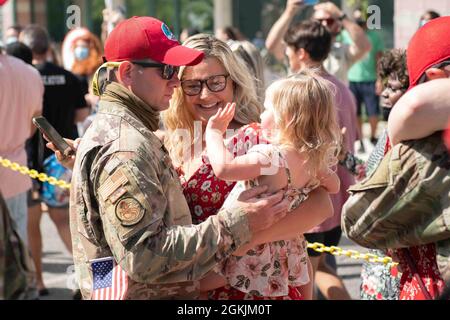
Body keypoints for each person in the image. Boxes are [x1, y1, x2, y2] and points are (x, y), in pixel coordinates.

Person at [70, 16, 299, 300]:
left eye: (216, 82)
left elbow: (315, 208)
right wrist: (238, 224)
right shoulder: (131, 144)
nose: (175, 83)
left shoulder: (250, 139)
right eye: (168, 71)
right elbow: (143, 256)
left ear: (234, 82)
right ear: (128, 73)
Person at [163, 33, 334, 300]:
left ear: (234, 83)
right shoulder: (172, 141)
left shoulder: (257, 137)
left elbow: (322, 203)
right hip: (189, 288)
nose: (206, 94)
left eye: (216, 82)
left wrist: (250, 238)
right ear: (178, 90)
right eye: (192, 85)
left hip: (250, 289)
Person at [200, 71, 341, 299]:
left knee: (204, 282)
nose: (261, 114)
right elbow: (334, 187)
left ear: (284, 119)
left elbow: (224, 169)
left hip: (250, 239)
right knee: (302, 276)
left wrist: (214, 133)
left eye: (266, 109)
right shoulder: (312, 161)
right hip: (286, 242)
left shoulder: (270, 157)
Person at [352, 16, 450, 300]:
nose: (384, 94)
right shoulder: (410, 129)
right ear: (436, 77)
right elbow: (411, 108)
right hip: (427, 285)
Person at [282, 19, 357, 299]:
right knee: (321, 268)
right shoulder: (343, 89)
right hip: (338, 201)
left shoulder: (302, 93)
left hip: (312, 199)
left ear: (301, 52)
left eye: (288, 50)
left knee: (306, 280)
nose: (287, 56)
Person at [19, 25, 89, 296]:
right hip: (64, 156)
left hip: (27, 159)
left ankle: (39, 282)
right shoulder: (68, 77)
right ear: (49, 48)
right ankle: (89, 275)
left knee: (31, 225)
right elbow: (82, 115)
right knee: (67, 222)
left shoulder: (24, 77)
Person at [266, 0, 371, 84]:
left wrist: (341, 15)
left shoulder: (341, 50)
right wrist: (289, 12)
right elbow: (271, 45)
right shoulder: (297, 49)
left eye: (329, 21)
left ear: (337, 25)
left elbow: (365, 46)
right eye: (319, 21)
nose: (324, 24)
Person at [0, 49, 44, 244]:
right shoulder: (29, 73)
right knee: (17, 249)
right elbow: (34, 123)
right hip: (16, 170)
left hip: (15, 168)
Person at [346, 14, 384, 152]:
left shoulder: (374, 36)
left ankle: (372, 137)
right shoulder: (346, 35)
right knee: (356, 113)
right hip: (352, 79)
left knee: (373, 112)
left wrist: (380, 79)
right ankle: (360, 140)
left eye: (362, 21)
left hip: (370, 79)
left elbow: (379, 58)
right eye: (357, 21)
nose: (360, 24)